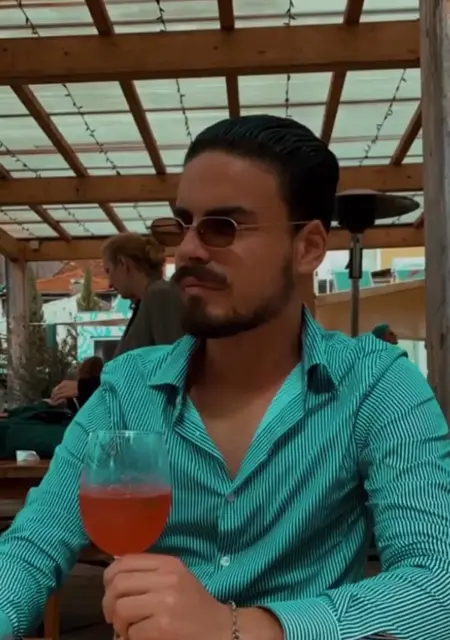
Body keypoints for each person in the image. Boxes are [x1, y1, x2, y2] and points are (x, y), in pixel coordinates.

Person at [0, 116, 449, 640]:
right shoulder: (128, 389)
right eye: (183, 224)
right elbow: (31, 548)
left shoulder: (374, 385)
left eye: (224, 226)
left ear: (308, 247)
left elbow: (436, 585)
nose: (188, 251)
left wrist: (240, 627)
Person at [102, 232, 184, 356]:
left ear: (123, 263)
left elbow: (173, 358)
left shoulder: (160, 295)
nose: (110, 283)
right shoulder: (148, 299)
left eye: (109, 271)